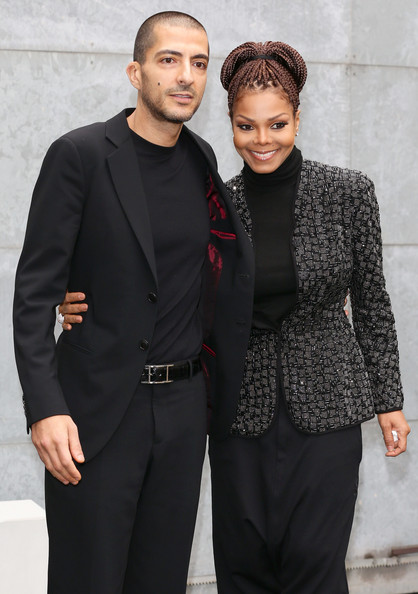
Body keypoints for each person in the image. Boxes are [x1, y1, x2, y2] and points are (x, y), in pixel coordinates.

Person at [59, 41, 411, 593]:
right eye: (247, 127)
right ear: (230, 124)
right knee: (242, 568)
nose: (262, 140)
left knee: (314, 565)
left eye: (276, 124)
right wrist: (77, 297)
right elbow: (165, 276)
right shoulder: (217, 202)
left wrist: (389, 398)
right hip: (236, 412)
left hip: (330, 406)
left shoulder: (348, 193)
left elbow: (373, 301)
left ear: (298, 117)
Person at [12, 12, 254, 594]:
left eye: (199, 63)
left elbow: (215, 274)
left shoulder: (202, 162)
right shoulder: (80, 155)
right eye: (169, 60)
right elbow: (33, 295)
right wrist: (45, 407)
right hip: (96, 415)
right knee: (87, 578)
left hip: (182, 412)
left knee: (161, 580)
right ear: (135, 71)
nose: (186, 77)